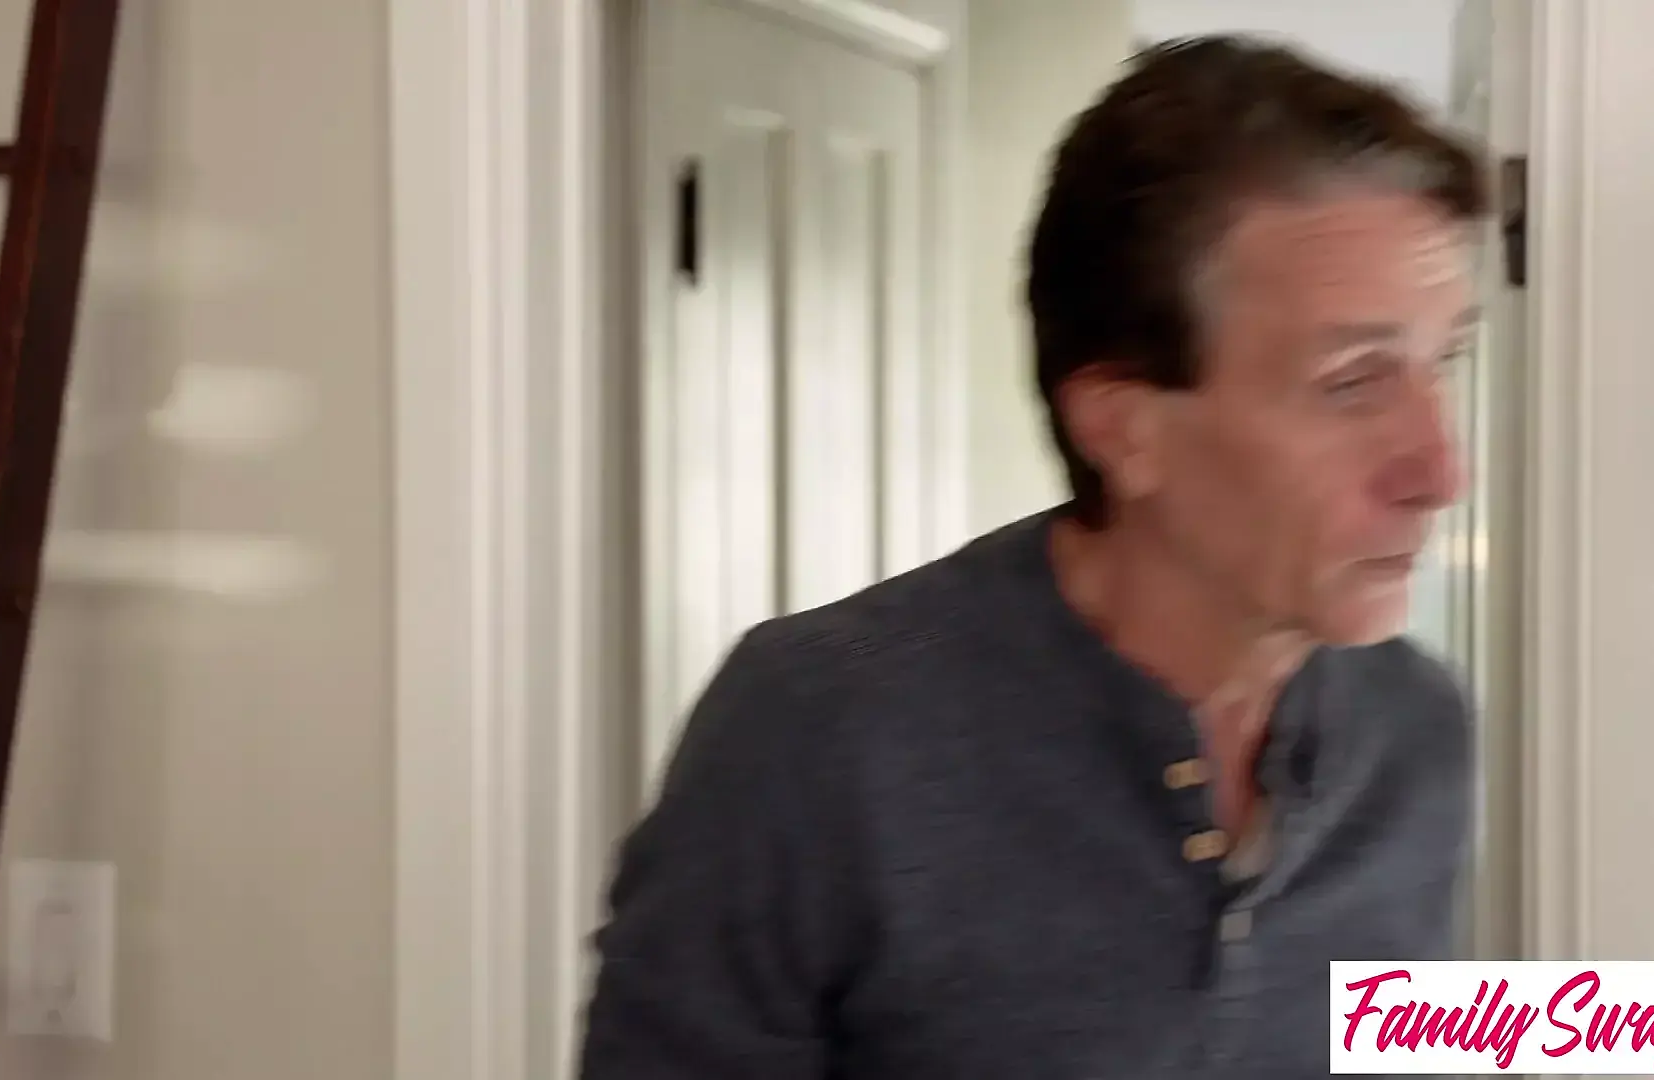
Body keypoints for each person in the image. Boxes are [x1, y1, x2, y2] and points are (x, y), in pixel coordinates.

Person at [580, 34, 1486, 1079]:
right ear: (1122, 427)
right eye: (1353, 382)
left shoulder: (1416, 731)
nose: (1441, 470)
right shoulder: (817, 733)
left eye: (1445, 361)